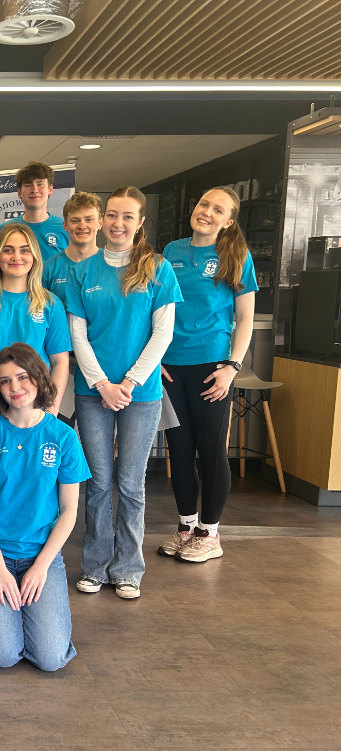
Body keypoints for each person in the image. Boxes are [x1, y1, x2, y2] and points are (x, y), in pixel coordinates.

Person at [66, 186, 183, 600]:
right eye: (111, 215)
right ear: (101, 220)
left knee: (131, 484)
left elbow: (163, 333)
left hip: (142, 393)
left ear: (140, 222)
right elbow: (77, 335)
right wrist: (102, 384)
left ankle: (128, 569)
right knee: (98, 483)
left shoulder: (158, 269)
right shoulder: (82, 271)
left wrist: (128, 383)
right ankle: (95, 567)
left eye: (127, 216)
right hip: (92, 390)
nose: (118, 224)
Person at [0, 344, 90, 671]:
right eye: (5, 381)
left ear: (39, 377)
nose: (15, 388)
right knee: (3, 655)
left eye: (22, 377)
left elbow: (69, 512)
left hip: (41, 554)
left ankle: (25, 617)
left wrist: (41, 567)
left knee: (51, 659)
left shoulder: (63, 436)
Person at [160, 186, 257, 563]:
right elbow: (161, 308)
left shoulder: (236, 255)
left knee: (211, 452)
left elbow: (245, 317)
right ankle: (186, 527)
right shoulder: (172, 252)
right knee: (180, 452)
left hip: (211, 368)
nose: (207, 212)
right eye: (203, 205)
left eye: (218, 210)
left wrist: (231, 368)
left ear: (228, 221)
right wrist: (157, 359)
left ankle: (210, 533)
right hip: (171, 368)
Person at [0, 223, 70, 436]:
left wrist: (51, 409)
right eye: (8, 250)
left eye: (24, 250)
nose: (17, 257)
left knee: (32, 465)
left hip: (35, 396)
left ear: (34, 256)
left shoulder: (51, 304)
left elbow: (60, 361)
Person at [0, 161, 68, 260]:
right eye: (28, 185)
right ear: (19, 193)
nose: (34, 190)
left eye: (40, 184)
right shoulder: (4, 229)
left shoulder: (65, 228)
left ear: (50, 189)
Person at [42, 192, 104, 309]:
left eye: (89, 220)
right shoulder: (47, 270)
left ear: (100, 223)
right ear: (65, 225)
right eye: (75, 221)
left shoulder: (112, 266)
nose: (82, 226)